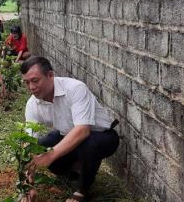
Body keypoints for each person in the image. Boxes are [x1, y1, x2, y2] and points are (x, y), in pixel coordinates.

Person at [21, 57, 120, 202]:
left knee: (87, 144)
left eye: (35, 81)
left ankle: (82, 190)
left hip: (101, 136)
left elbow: (82, 130)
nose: (31, 87)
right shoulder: (32, 104)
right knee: (41, 147)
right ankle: (77, 166)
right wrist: (26, 185)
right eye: (27, 82)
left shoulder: (75, 88)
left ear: (50, 75)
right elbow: (28, 143)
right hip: (68, 134)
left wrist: (49, 156)